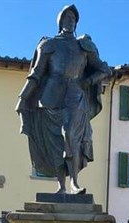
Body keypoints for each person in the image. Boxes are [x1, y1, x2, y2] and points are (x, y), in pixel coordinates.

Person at [16, 4, 111, 195]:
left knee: (70, 135)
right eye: (66, 18)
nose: (70, 22)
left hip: (75, 94)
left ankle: (74, 183)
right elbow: (36, 74)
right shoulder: (49, 45)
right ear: (60, 22)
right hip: (50, 97)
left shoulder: (84, 46)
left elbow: (104, 69)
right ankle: (61, 186)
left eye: (73, 19)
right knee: (55, 142)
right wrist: (23, 97)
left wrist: (88, 80)